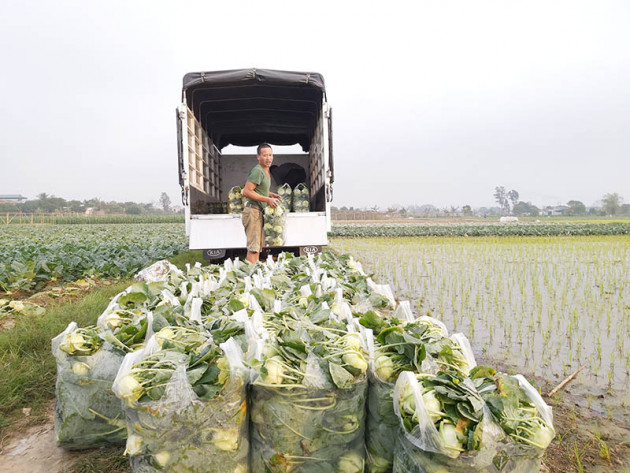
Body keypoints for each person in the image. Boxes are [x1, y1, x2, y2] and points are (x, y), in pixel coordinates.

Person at [241, 143, 280, 264]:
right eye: (265, 155)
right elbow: (247, 192)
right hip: (253, 212)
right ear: (258, 156)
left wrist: (270, 194)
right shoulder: (258, 171)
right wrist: (267, 200)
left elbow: (258, 189)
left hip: (258, 212)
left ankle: (253, 274)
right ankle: (251, 278)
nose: (268, 158)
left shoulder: (265, 170)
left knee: (257, 247)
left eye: (270, 155)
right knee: (253, 249)